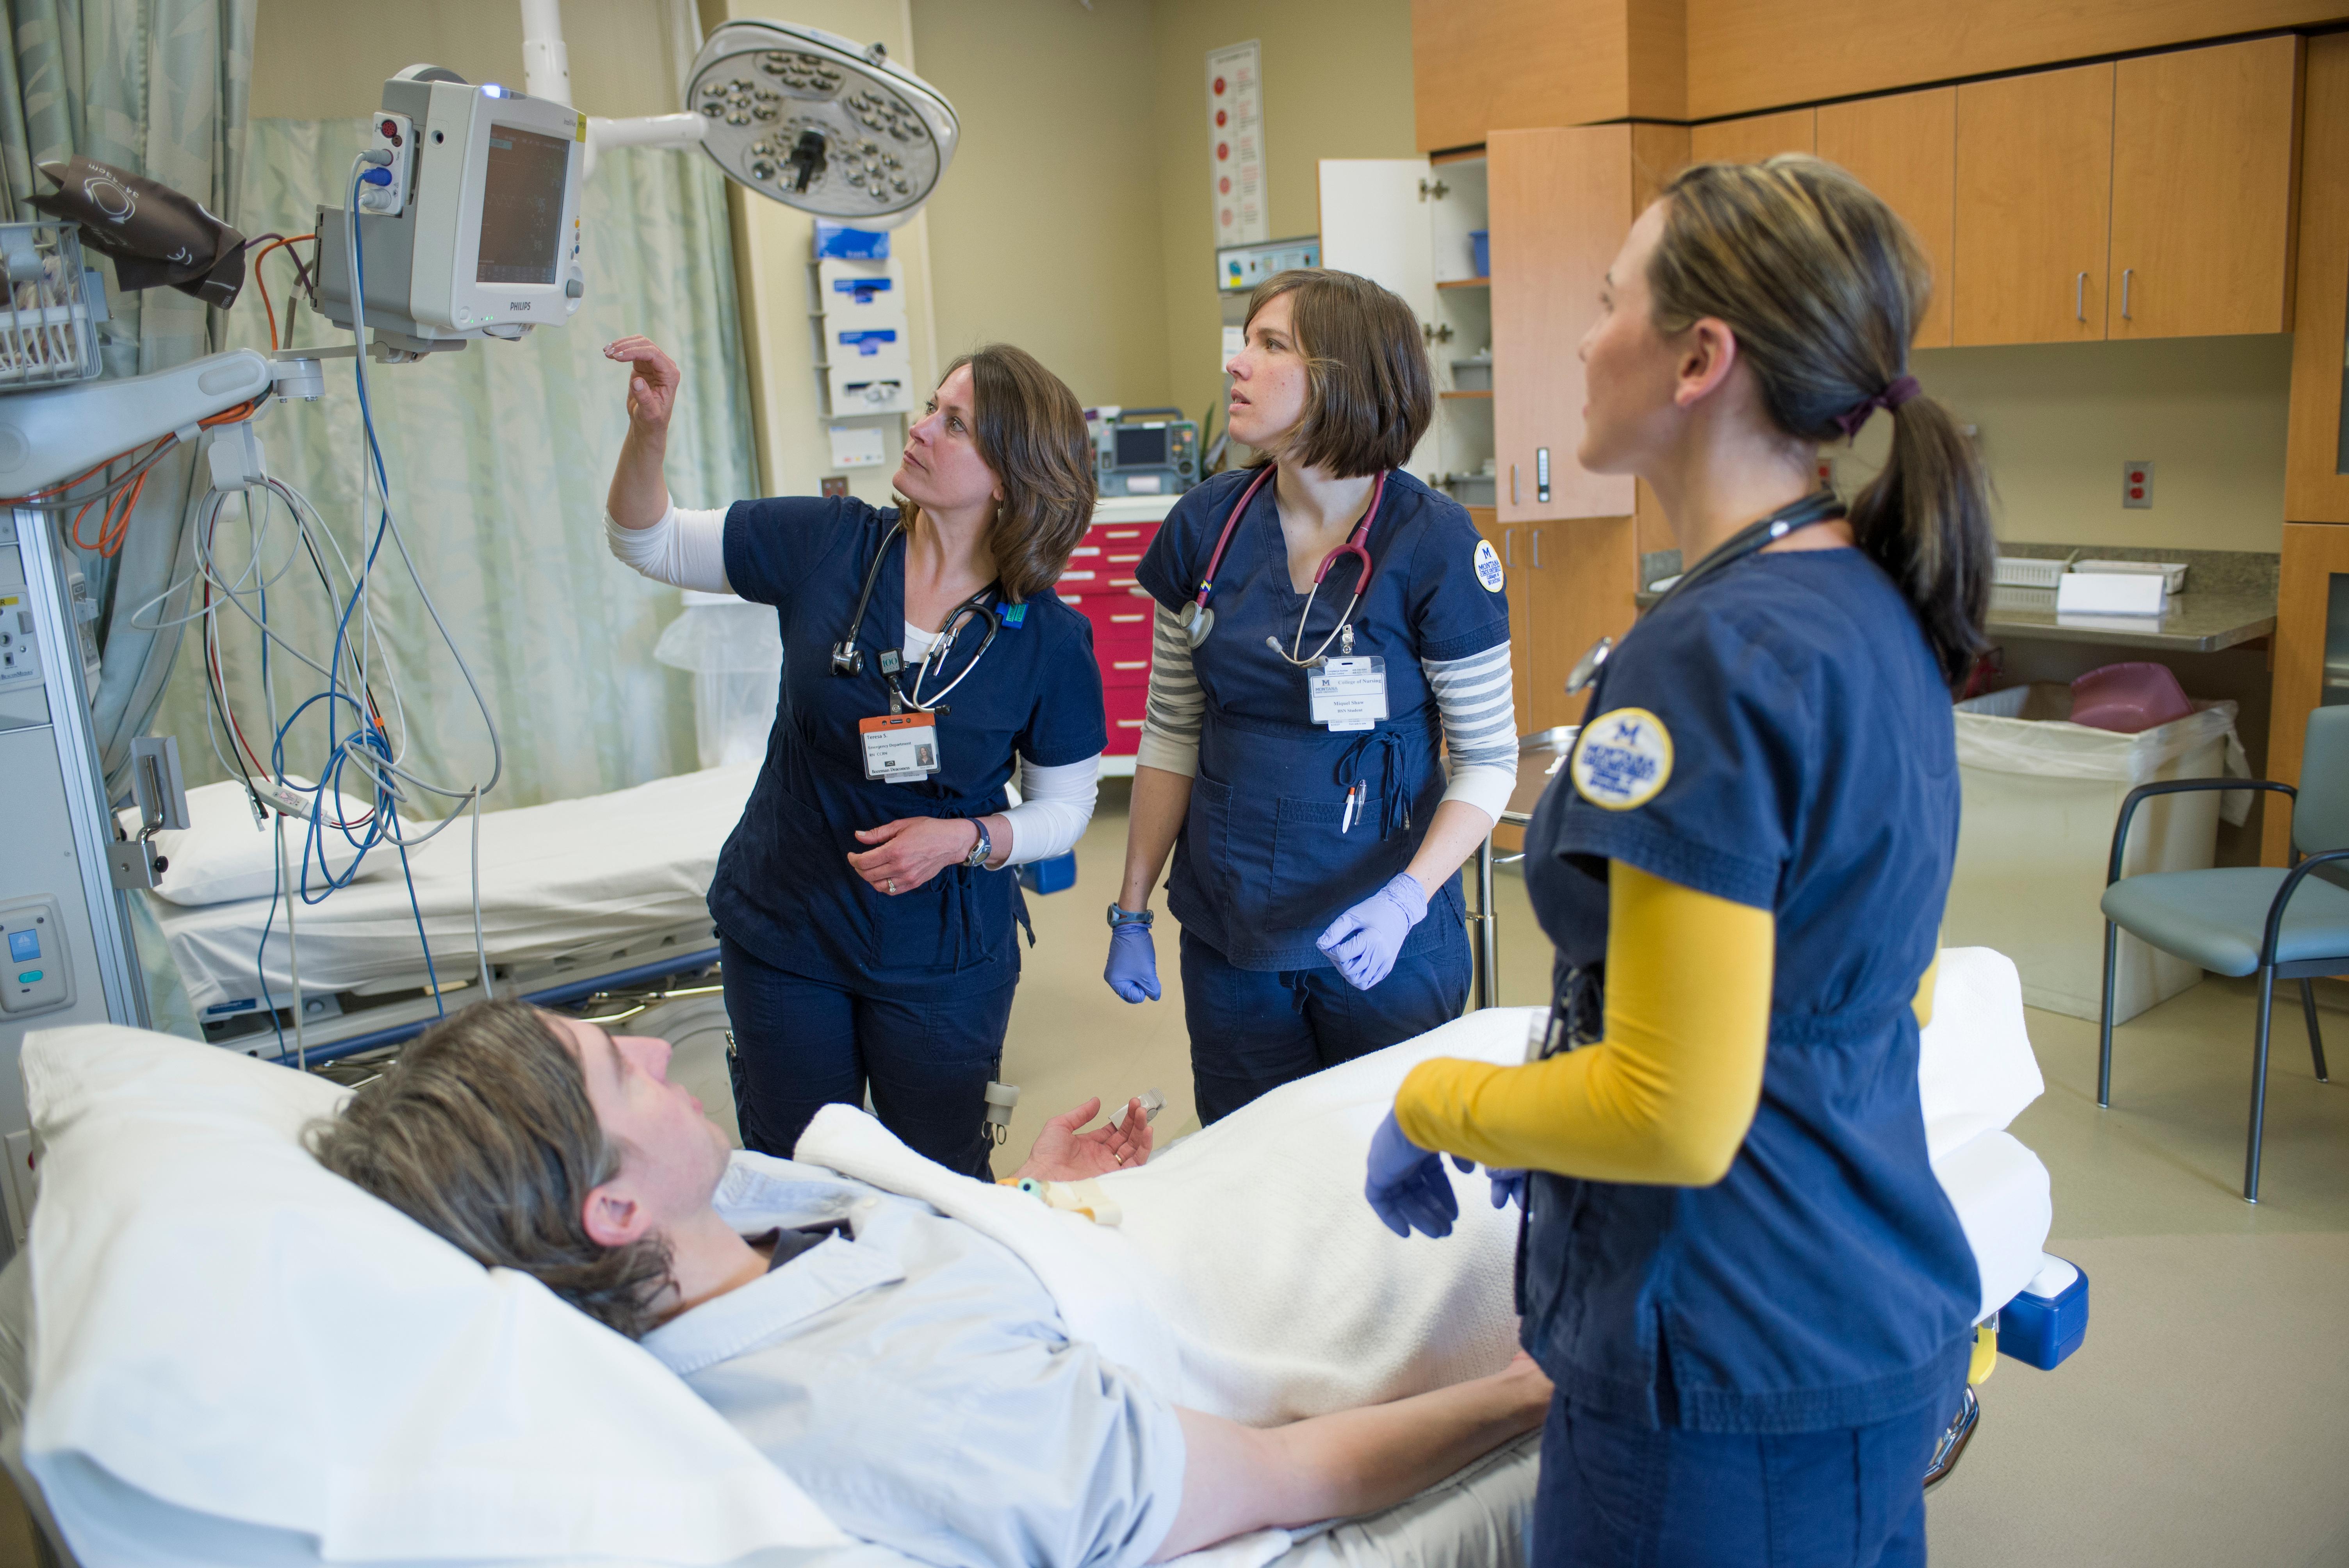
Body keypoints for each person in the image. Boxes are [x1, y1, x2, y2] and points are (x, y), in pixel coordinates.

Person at [1361, 154, 1997, 1566]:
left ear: (1699, 357)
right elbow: (1866, 979)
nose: (1583, 342)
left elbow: (1670, 1113)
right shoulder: (1862, 605)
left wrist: (1440, 1099)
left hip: (1726, 1365)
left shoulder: (1707, 654)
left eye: (1606, 305)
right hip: (1848, 1308)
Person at [308, 1000, 1552, 1568]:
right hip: (1289, 1285)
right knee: (1570, 1101)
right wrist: (1537, 1395)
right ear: (614, 1209)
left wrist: (1027, 1205)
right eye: (620, 1075)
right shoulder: (909, 1414)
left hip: (1158, 1213)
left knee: (1511, 1041)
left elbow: (885, 1267)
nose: (649, 1044)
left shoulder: (713, 1229)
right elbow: (1294, 1475)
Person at [602, 338, 1106, 1179]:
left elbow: (1065, 810)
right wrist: (649, 432)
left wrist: (965, 839)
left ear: (1011, 479)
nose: (920, 429)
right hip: (785, 928)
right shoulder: (829, 544)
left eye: (954, 424)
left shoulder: (1049, 639)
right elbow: (646, 542)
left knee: (936, 1178)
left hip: (941, 957)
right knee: (796, 1173)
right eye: (930, 408)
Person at [1107, 269, 1517, 1123]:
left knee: (1388, 1173)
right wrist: (1131, 907)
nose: (1236, 364)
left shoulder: (1434, 544)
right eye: (1243, 340)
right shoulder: (1204, 527)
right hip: (1231, 933)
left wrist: (1407, 901)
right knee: (1251, 1167)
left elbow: (1488, 758)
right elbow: (1171, 731)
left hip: (1385, 935)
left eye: (1270, 345)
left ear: (1342, 375)